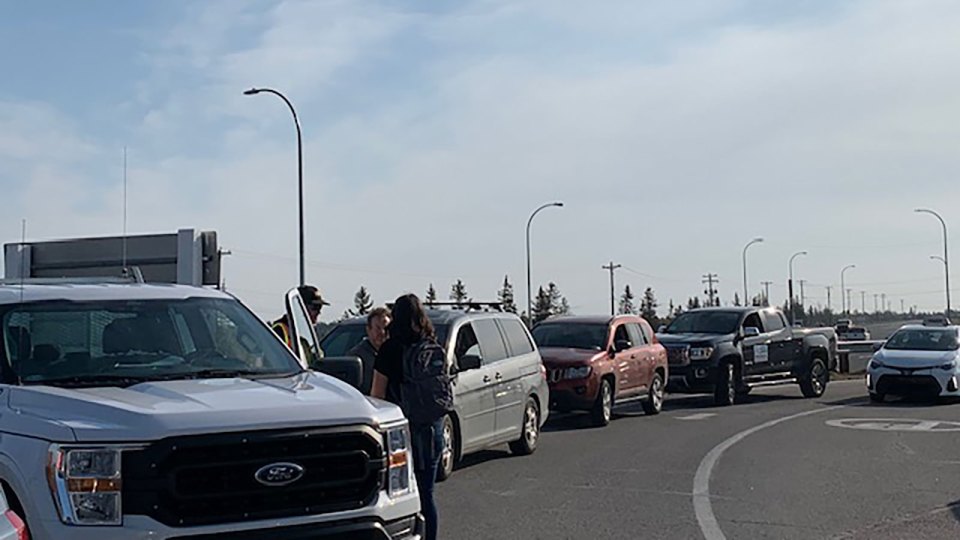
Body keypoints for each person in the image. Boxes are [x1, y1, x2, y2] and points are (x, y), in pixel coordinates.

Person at [371, 294, 446, 540]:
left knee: (398, 496)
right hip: (433, 427)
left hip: (403, 432)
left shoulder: (390, 350)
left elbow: (377, 395)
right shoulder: (432, 344)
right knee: (427, 494)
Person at [347, 307, 391, 395]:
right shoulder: (355, 357)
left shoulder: (395, 355)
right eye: (378, 328)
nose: (382, 332)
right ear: (368, 330)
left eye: (385, 328)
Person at [272, 285, 330, 349]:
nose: (319, 312)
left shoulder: (307, 335)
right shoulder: (280, 330)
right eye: (315, 308)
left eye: (320, 308)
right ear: (300, 308)